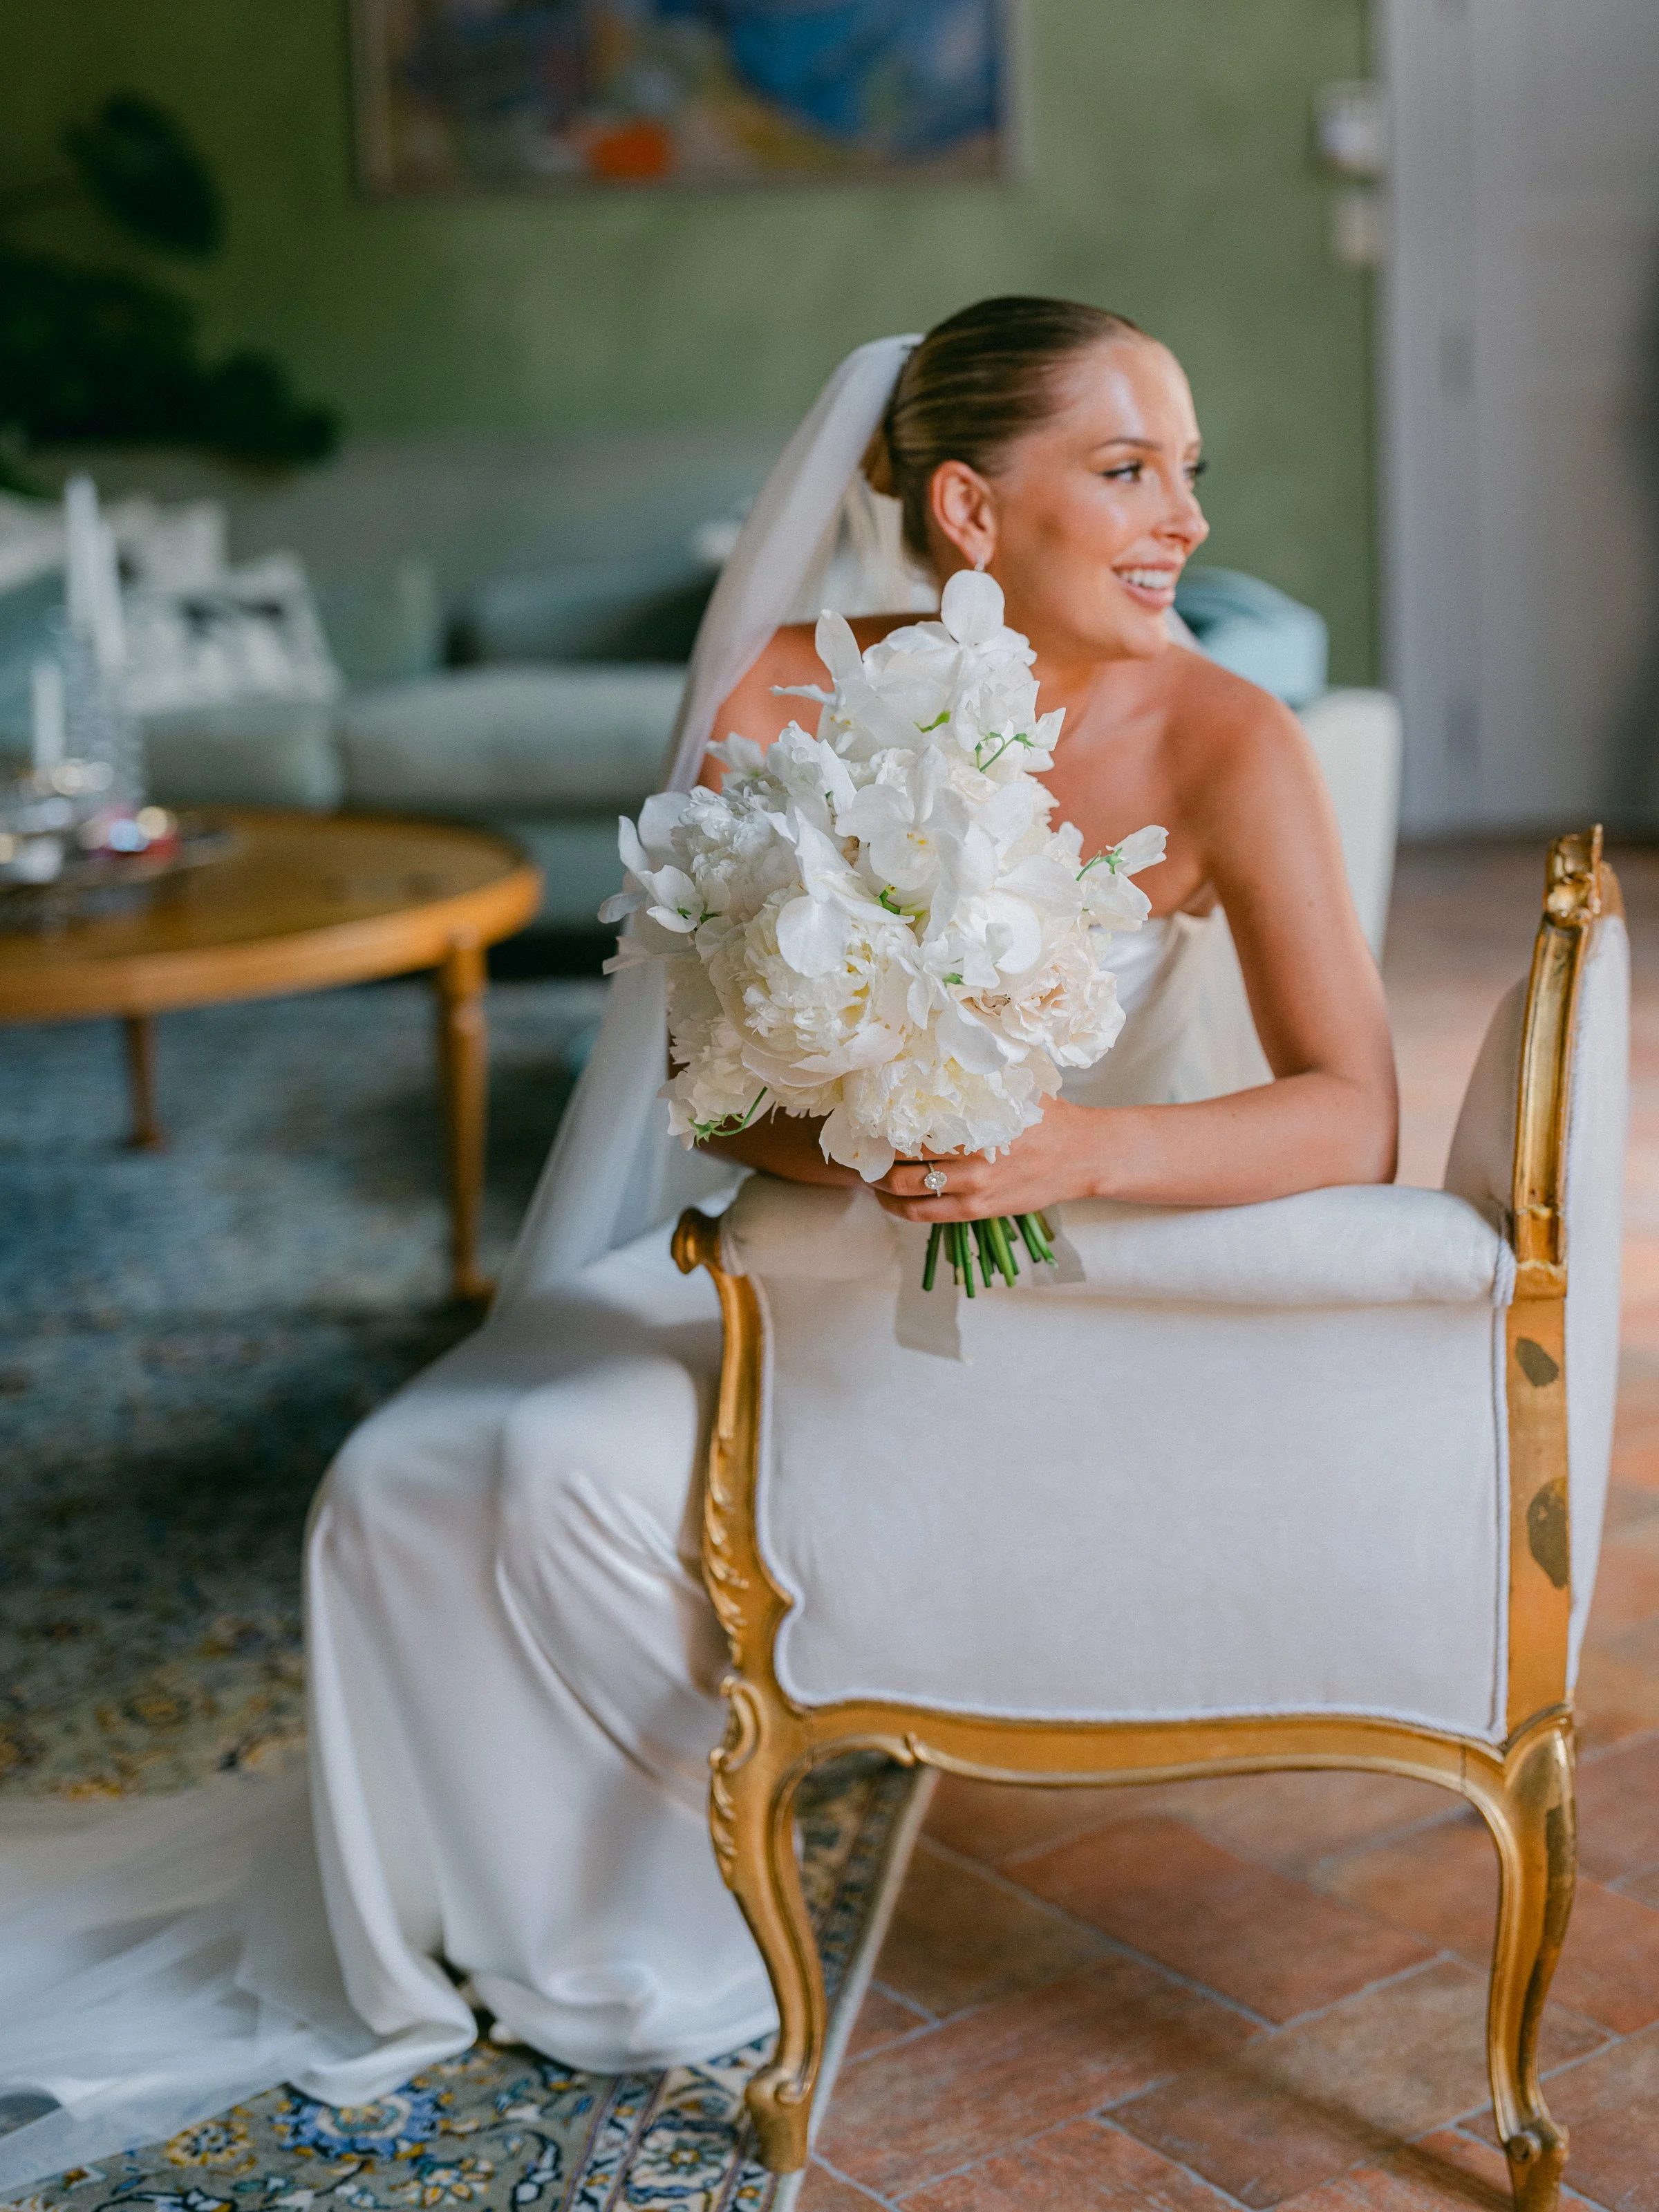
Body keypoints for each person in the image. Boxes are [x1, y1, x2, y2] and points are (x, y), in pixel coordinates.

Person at [0, 299, 1396, 2191]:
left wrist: (1074, 1146)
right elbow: (704, 1092)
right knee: (398, 1485)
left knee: (526, 1479)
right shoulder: (780, 696)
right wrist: (864, 1111)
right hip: (784, 1274)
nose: (1187, 522)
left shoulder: (1227, 734)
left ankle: (624, 1935)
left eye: (1190, 474)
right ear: (975, 511)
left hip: (1051, 1326)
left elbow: (1353, 1108)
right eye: (1131, 470)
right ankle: (486, 1937)